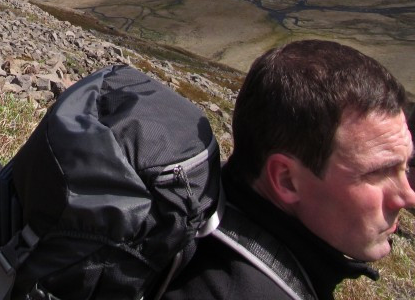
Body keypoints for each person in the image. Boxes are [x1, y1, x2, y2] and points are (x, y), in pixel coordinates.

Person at [166, 38, 415, 300]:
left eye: (406, 164)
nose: (409, 197)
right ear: (286, 179)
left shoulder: (217, 210)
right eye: (377, 173)